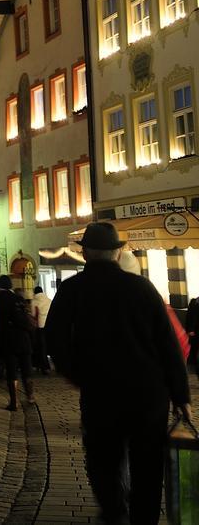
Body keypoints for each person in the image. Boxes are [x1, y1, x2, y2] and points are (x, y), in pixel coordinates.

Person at [47, 222, 191, 525]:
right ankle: (144, 519)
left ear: (84, 253)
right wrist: (181, 395)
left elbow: (54, 341)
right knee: (147, 464)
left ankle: (114, 511)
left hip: (101, 393)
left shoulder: (73, 290)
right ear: (118, 251)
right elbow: (168, 346)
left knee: (104, 459)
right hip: (148, 394)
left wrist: (78, 374)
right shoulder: (141, 287)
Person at [0, 275, 34, 410]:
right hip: (23, 338)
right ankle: (30, 396)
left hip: (8, 339)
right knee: (27, 368)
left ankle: (14, 402)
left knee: (11, 371)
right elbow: (27, 318)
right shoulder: (18, 298)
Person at [30, 285, 52, 374]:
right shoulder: (49, 300)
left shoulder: (34, 301)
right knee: (48, 345)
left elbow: (33, 314)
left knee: (41, 347)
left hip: (40, 326)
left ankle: (43, 366)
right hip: (49, 326)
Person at [186, 293, 199, 374]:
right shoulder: (194, 302)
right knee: (194, 349)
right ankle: (191, 369)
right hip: (194, 332)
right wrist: (189, 330)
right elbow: (189, 317)